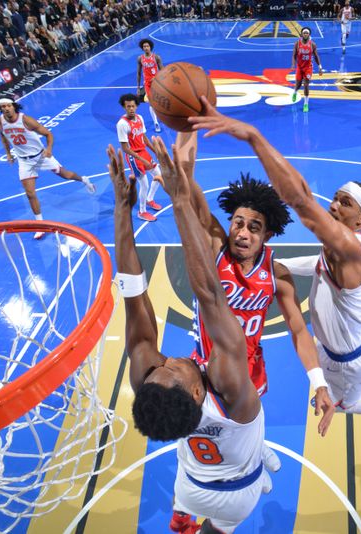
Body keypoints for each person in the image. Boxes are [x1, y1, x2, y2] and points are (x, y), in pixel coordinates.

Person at [190, 100, 361, 422]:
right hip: (332, 345)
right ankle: (330, 388)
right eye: (336, 197)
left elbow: (300, 200)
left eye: (344, 203)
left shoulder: (349, 248)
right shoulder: (339, 247)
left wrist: (255, 137)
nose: (334, 206)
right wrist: (274, 265)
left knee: (346, 405)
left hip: (350, 360)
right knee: (319, 373)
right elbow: (315, 250)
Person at [110, 141, 269, 534]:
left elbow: (133, 295)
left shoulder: (153, 381)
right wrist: (181, 199)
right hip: (237, 492)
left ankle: (182, 515)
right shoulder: (232, 388)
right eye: (176, 369)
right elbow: (210, 294)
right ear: (198, 394)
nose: (170, 360)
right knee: (219, 529)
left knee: (190, 494)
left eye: (159, 365)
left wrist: (122, 211)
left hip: (191, 483)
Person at [173, 130, 335, 411]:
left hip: (247, 373)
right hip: (202, 366)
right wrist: (187, 123)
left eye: (253, 227)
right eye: (237, 223)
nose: (242, 233)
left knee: (242, 439)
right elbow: (187, 188)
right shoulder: (216, 248)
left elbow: (298, 329)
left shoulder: (277, 274)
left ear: (268, 235)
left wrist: (318, 382)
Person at [0, 98, 95, 239]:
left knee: (65, 174)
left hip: (41, 156)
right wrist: (8, 153)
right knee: (30, 194)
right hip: (24, 161)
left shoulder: (27, 120)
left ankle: (84, 179)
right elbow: (3, 136)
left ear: (14, 106)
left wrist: (48, 149)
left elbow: (48, 134)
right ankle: (40, 224)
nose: (6, 108)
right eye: (3, 106)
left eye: (8, 106)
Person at [117, 93, 164, 222]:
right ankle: (142, 211)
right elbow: (125, 148)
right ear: (124, 107)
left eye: (133, 106)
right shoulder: (122, 124)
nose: (131, 109)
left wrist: (156, 151)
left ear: (137, 106)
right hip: (133, 156)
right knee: (144, 184)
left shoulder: (140, 118)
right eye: (128, 107)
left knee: (159, 175)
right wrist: (142, 160)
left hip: (143, 152)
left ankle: (149, 199)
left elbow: (144, 138)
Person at [291, 28, 323, 113]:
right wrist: (293, 64)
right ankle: (294, 92)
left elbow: (316, 56)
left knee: (306, 85)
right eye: (304, 33)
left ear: (309, 35)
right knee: (298, 84)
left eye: (307, 33)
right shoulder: (297, 44)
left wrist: (320, 67)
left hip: (308, 67)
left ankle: (305, 104)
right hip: (299, 67)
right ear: (301, 34)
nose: (305, 34)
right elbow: (294, 55)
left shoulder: (312, 44)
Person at [136, 38, 162, 133]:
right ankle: (156, 123)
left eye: (147, 46)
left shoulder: (156, 57)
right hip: (147, 84)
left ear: (150, 47)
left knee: (159, 101)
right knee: (151, 103)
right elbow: (138, 73)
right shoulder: (140, 58)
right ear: (142, 48)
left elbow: (163, 71)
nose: (146, 48)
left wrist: (157, 78)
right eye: (144, 46)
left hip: (157, 82)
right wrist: (138, 88)